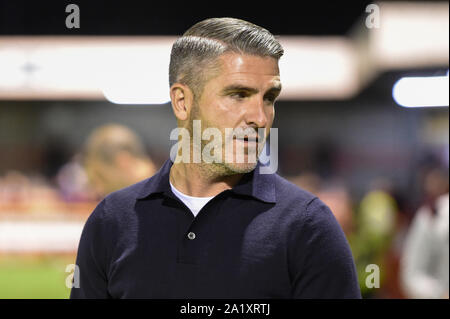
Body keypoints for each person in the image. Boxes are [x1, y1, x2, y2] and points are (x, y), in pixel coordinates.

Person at [71, 17, 360, 299]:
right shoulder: (111, 220)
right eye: (238, 95)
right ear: (182, 102)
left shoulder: (308, 226)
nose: (260, 117)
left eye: (269, 98)